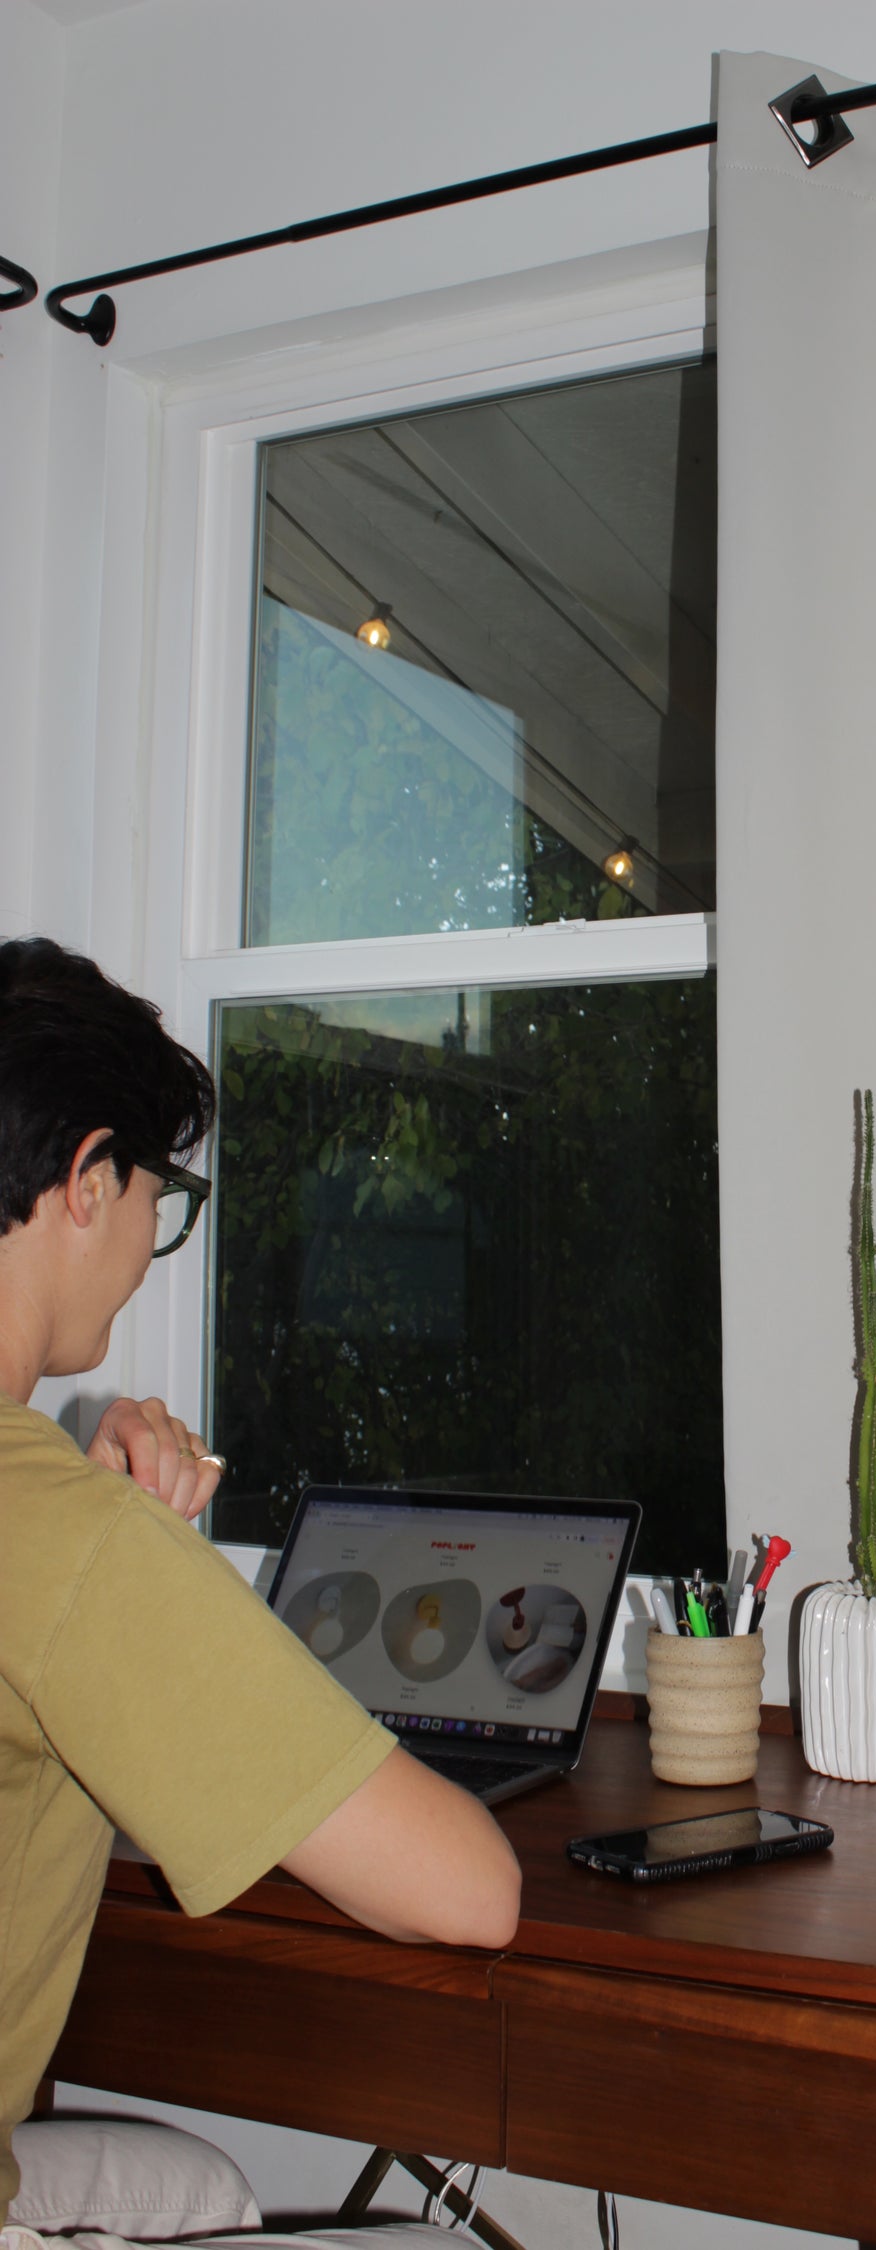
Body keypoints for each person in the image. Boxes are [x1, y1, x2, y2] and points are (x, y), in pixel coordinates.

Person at [0, 936, 521, 2248]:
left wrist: (97, 1508)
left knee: (208, 2195)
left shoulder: (55, 1521)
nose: (148, 1244)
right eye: (157, 1197)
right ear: (85, 1177)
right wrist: (131, 1554)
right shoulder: (65, 1543)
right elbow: (471, 1890)